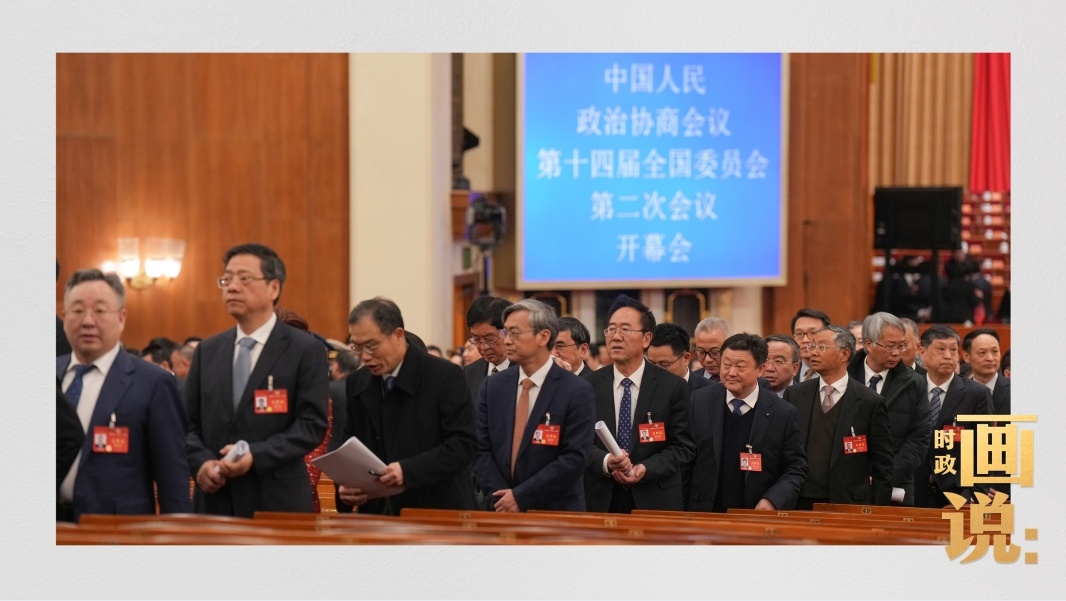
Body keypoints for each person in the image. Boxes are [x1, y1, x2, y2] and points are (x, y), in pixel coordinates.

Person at [185, 243, 329, 517]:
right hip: (215, 502)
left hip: (276, 501)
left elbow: (311, 425)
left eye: (245, 278)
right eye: (227, 279)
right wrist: (201, 463)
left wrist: (256, 455)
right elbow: (187, 424)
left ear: (274, 288)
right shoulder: (208, 351)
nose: (232, 287)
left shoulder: (304, 349)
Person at [57, 269, 190, 521]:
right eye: (77, 310)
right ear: (64, 318)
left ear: (121, 318)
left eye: (99, 311)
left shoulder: (152, 382)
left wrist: (177, 535)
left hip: (117, 529)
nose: (87, 321)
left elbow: (172, 476)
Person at [337, 297, 478, 514]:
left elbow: (463, 445)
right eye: (357, 347)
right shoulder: (358, 382)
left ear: (398, 335)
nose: (364, 356)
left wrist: (407, 471)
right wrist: (346, 487)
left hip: (436, 509)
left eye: (372, 346)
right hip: (376, 514)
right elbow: (351, 446)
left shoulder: (444, 375)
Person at [474, 299, 595, 512]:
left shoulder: (576, 390)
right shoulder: (493, 386)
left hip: (554, 512)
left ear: (543, 336)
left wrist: (521, 497)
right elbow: (480, 448)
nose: (507, 341)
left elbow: (575, 458)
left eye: (515, 333)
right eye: (505, 333)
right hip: (500, 509)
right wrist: (502, 499)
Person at [584, 295, 694, 513]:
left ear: (646, 339)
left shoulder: (672, 386)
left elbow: (683, 448)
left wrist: (646, 468)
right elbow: (578, 443)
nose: (616, 337)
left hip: (655, 500)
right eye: (611, 329)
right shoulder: (588, 385)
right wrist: (606, 461)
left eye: (625, 329)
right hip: (600, 500)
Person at [686, 334, 807, 512]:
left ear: (760, 369)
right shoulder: (700, 400)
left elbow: (795, 467)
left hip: (755, 512)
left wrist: (772, 500)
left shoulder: (782, 413)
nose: (731, 372)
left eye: (740, 367)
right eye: (726, 364)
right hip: (704, 511)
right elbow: (686, 454)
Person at [784, 325, 894, 508]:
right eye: (812, 346)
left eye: (822, 347)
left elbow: (883, 464)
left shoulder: (869, 401)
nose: (813, 352)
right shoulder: (795, 394)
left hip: (849, 503)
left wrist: (878, 509)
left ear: (844, 354)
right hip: (800, 499)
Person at [847, 312, 931, 505]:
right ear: (869, 344)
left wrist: (885, 476)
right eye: (890, 346)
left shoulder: (914, 383)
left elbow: (920, 437)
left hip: (896, 486)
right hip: (846, 486)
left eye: (901, 346)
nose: (896, 353)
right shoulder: (844, 377)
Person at [912, 324, 993, 508]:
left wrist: (974, 496)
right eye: (941, 349)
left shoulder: (976, 394)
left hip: (957, 494)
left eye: (953, 350)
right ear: (922, 352)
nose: (948, 356)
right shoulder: (910, 388)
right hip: (912, 492)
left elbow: (985, 448)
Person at [463, 296, 513, 405]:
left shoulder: (525, 369)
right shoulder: (469, 372)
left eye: (489, 339)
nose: (483, 347)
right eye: (476, 339)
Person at [647, 322, 710, 395]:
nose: (656, 371)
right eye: (652, 364)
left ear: (686, 358)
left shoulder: (709, 391)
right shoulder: (643, 388)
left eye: (664, 364)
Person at [790, 307, 831, 384]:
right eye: (799, 334)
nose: (805, 340)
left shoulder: (840, 374)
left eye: (812, 333)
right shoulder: (788, 373)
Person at [692, 317, 730, 382]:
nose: (708, 360)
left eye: (715, 352)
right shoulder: (688, 382)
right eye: (701, 352)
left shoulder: (741, 382)